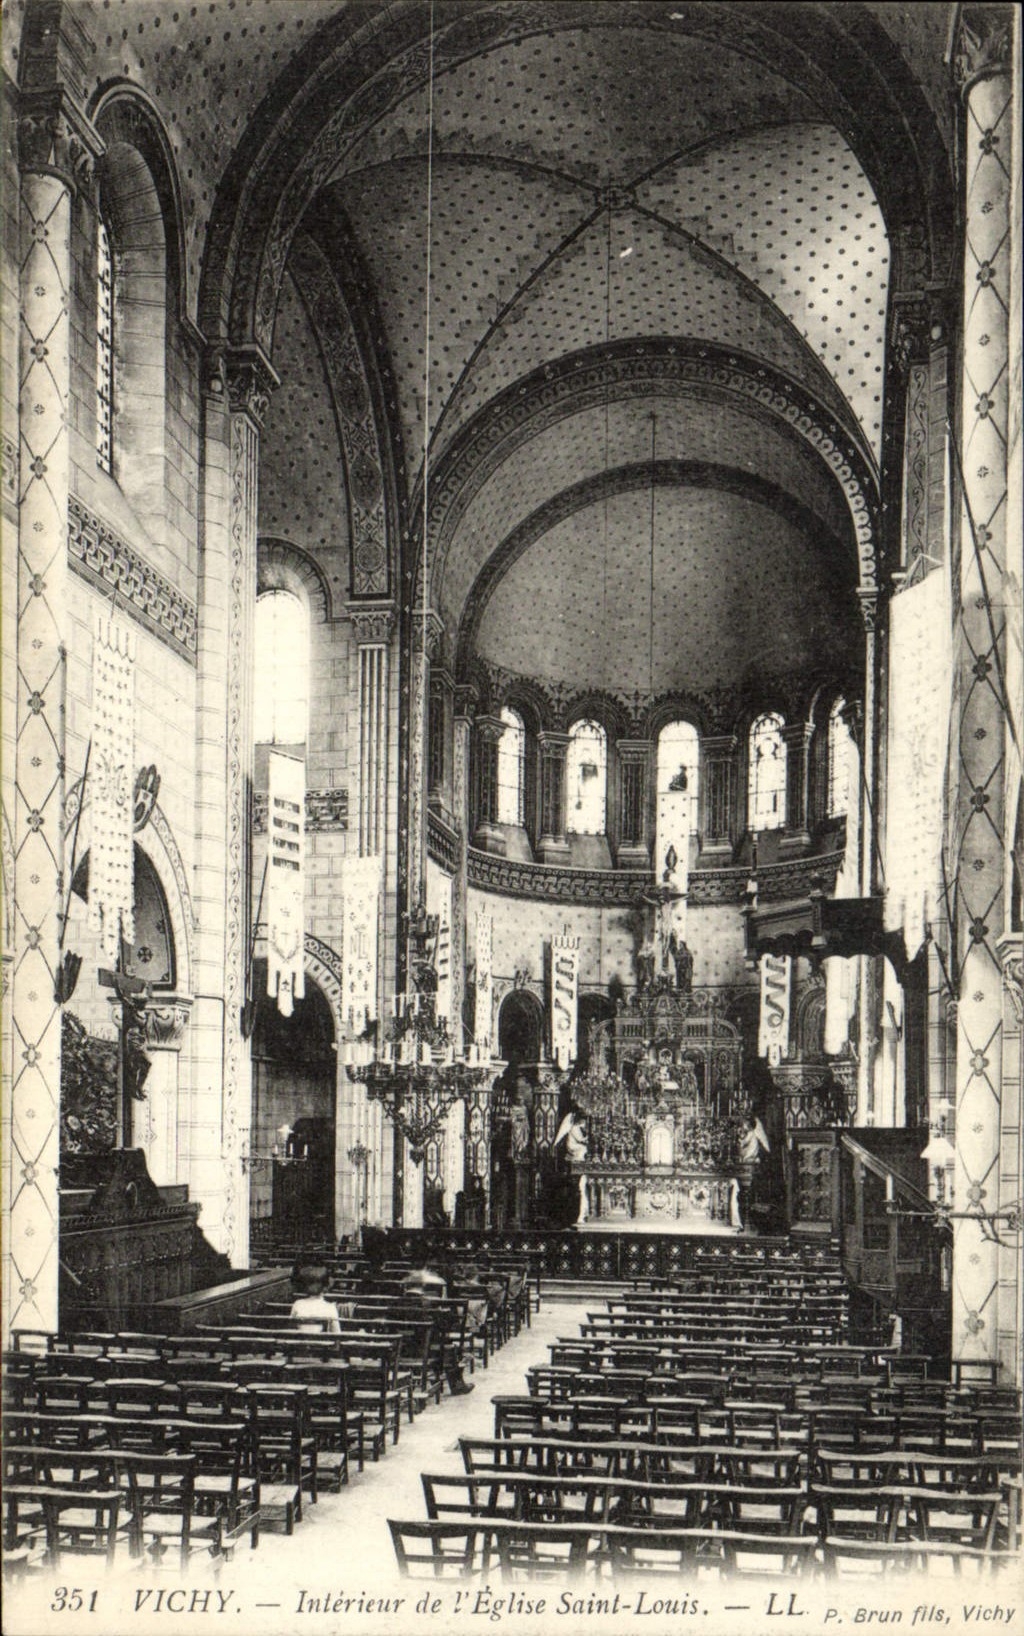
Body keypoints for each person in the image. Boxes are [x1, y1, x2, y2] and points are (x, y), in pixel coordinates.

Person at [401, 1255, 474, 1396]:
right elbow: (442, 1328)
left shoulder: (394, 1304)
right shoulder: (427, 1304)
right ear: (423, 1286)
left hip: (401, 1350)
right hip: (424, 1351)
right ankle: (457, 1385)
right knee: (448, 1348)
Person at [289, 1264, 351, 1333]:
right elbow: (336, 1333)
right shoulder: (330, 1308)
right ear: (325, 1287)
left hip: (302, 1339)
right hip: (322, 1340)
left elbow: (292, 1328)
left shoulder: (297, 1304)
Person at [736, 1113, 770, 1231]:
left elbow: (745, 1142)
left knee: (747, 1192)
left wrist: (741, 1138)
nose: (744, 1125)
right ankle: (744, 1222)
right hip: (746, 1160)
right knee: (743, 1192)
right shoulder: (746, 1133)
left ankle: (747, 1222)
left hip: (750, 1159)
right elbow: (742, 1143)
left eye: (745, 1124)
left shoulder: (752, 1134)